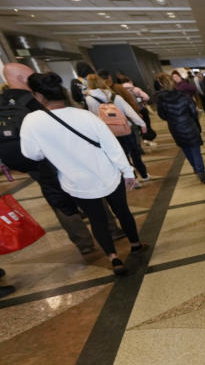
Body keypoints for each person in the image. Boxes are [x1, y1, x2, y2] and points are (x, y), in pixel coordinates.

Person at [21, 72, 147, 276]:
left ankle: (114, 258)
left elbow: (31, 154)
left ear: (38, 96)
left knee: (97, 220)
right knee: (122, 211)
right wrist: (127, 171)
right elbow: (111, 146)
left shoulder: (32, 121)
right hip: (108, 174)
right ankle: (135, 244)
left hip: (76, 182)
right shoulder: (85, 115)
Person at [1, 62, 120, 256]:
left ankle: (83, 243)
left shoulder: (3, 103)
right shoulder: (36, 100)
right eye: (31, 76)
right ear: (23, 79)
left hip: (32, 163)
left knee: (58, 201)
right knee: (90, 192)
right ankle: (111, 231)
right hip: (62, 158)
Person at [84, 74, 150, 184]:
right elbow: (129, 111)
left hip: (108, 132)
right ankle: (144, 175)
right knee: (135, 152)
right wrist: (142, 124)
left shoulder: (89, 99)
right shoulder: (115, 96)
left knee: (121, 155)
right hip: (125, 128)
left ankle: (133, 178)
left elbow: (93, 116)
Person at [155, 73, 205, 184]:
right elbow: (194, 112)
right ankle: (201, 173)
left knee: (186, 150)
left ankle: (196, 168)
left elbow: (161, 115)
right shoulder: (183, 95)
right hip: (189, 125)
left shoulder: (160, 98)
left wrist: (172, 119)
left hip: (175, 127)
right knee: (196, 151)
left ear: (161, 84)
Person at [117, 73, 156, 146]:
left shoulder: (120, 91)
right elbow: (147, 97)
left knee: (136, 127)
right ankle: (147, 138)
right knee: (146, 124)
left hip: (130, 111)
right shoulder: (135, 89)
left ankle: (140, 140)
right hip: (141, 109)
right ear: (130, 81)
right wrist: (142, 101)